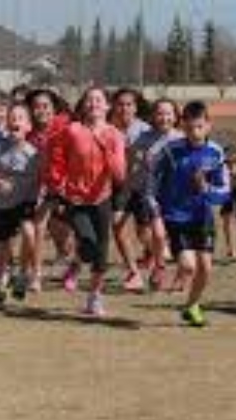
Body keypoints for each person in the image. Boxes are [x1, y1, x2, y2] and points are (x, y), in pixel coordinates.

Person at [46, 87, 126, 317]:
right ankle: (77, 262)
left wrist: (108, 152)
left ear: (107, 106)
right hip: (76, 198)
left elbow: (120, 175)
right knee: (89, 243)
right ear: (83, 106)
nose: (94, 104)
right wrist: (58, 182)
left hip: (102, 198)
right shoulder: (72, 130)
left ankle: (94, 296)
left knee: (101, 251)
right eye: (89, 100)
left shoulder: (114, 135)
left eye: (99, 100)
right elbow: (56, 156)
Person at [155, 100, 230, 328]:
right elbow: (154, 181)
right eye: (189, 128)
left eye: (199, 127)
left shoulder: (216, 152)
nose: (195, 132)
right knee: (188, 266)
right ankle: (189, 300)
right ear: (182, 126)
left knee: (205, 268)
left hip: (202, 217)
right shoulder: (170, 151)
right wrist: (156, 209)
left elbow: (224, 190)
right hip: (176, 217)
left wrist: (207, 189)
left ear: (208, 126)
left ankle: (192, 305)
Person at [0, 102, 40, 304]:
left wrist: (41, 195)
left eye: (20, 118)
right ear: (6, 124)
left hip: (24, 202)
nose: (15, 121)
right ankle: (2, 276)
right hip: (0, 203)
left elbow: (41, 179)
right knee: (2, 244)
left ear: (28, 126)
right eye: (12, 118)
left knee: (29, 233)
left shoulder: (34, 154)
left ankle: (22, 274)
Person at [127, 98, 184, 292]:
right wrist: (134, 179)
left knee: (177, 238)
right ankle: (160, 267)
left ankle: (181, 274)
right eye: (160, 113)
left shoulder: (182, 139)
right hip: (152, 194)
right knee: (158, 234)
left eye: (168, 113)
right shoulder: (144, 138)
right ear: (153, 116)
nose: (164, 118)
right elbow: (131, 159)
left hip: (177, 196)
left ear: (175, 117)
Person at [27, 87, 75, 292]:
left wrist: (66, 184)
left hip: (68, 188)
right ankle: (36, 275)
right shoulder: (29, 134)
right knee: (38, 226)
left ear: (54, 109)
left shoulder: (67, 129)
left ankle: (72, 268)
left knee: (66, 241)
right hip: (44, 189)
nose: (41, 110)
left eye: (45, 106)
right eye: (36, 106)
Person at [110, 87, 152, 292]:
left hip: (142, 186)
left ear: (135, 108)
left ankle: (152, 254)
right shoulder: (108, 129)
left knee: (143, 233)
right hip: (119, 187)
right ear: (113, 106)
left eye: (129, 104)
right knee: (117, 225)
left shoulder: (145, 131)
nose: (124, 108)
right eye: (120, 104)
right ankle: (133, 272)